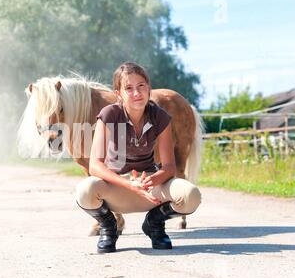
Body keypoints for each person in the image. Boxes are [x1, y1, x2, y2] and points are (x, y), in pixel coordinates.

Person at [75, 62, 202, 253]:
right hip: (117, 189)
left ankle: (154, 223)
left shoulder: (160, 116)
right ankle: (109, 228)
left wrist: (151, 180)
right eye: (129, 88)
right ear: (119, 94)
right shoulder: (109, 114)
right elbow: (95, 165)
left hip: (150, 189)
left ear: (149, 88)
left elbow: (168, 167)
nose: (137, 93)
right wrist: (129, 184)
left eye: (141, 86)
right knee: (85, 190)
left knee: (191, 195)